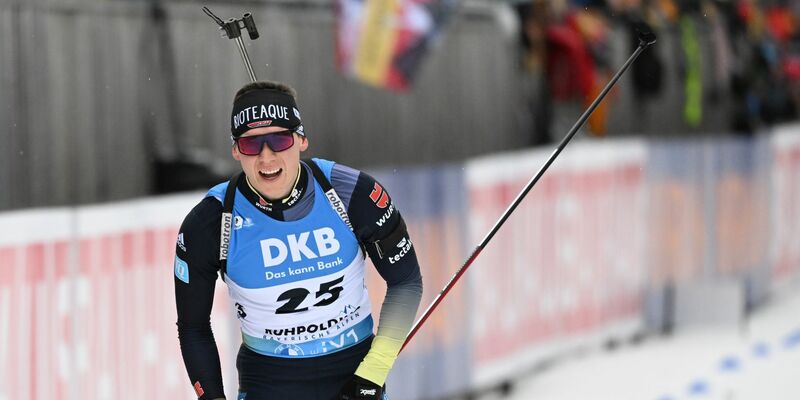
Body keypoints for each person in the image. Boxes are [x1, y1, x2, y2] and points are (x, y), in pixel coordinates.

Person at [174, 80, 423, 400]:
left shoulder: (351, 193)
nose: (267, 158)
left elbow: (406, 281)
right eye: (251, 145)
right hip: (269, 385)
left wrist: (373, 373)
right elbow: (193, 326)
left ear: (301, 140)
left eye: (279, 139)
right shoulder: (211, 222)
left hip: (353, 379)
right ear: (236, 150)